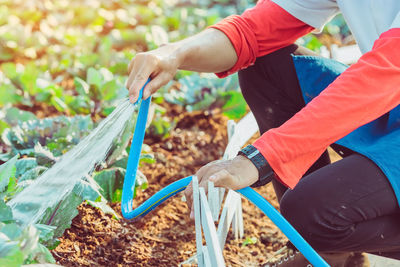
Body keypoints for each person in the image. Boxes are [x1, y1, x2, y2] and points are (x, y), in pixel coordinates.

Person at [126, 1, 400, 266]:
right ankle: (329, 254)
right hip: (389, 100)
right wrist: (176, 52)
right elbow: (256, 30)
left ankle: (324, 240)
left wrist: (261, 158)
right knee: (266, 65)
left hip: (386, 86)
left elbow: (386, 72)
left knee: (312, 212)